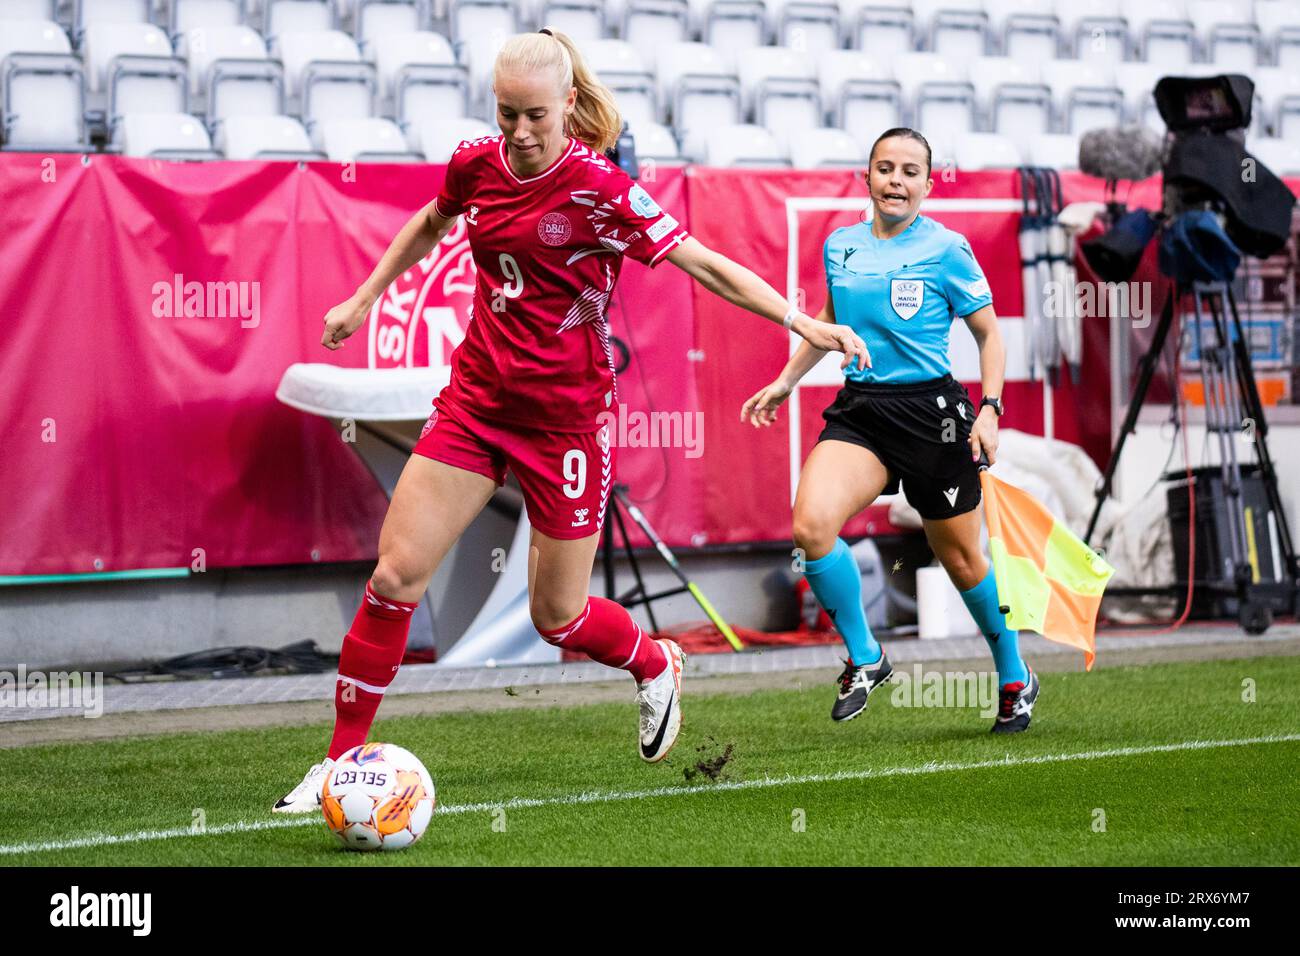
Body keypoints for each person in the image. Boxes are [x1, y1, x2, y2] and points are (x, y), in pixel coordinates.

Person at [274, 28, 869, 811]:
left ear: (570, 107)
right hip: (477, 402)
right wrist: (363, 297)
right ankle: (341, 762)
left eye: (535, 116)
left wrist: (802, 323)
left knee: (557, 616)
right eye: (506, 113)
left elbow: (703, 263)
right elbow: (431, 219)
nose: (519, 133)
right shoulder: (475, 162)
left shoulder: (603, 191)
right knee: (395, 575)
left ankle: (654, 664)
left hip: (566, 424)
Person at [741, 127, 1039, 734]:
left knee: (960, 559)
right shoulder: (841, 245)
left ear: (928, 185)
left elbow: (990, 334)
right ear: (867, 177)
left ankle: (1013, 674)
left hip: (933, 416)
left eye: (909, 172)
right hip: (863, 412)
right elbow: (830, 319)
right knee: (810, 527)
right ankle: (866, 655)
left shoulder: (949, 249)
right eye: (885, 169)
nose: (896, 181)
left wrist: (990, 409)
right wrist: (786, 380)